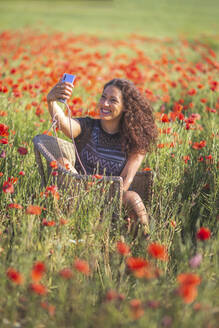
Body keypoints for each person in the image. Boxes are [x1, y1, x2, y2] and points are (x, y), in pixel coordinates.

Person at [47, 78, 158, 232]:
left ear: (126, 107)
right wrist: (51, 101)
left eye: (113, 100)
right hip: (79, 195)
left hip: (114, 200)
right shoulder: (88, 127)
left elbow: (125, 181)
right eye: (103, 97)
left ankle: (145, 240)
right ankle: (66, 222)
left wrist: (102, 202)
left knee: (133, 197)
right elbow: (64, 124)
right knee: (61, 162)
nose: (105, 104)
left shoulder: (136, 140)